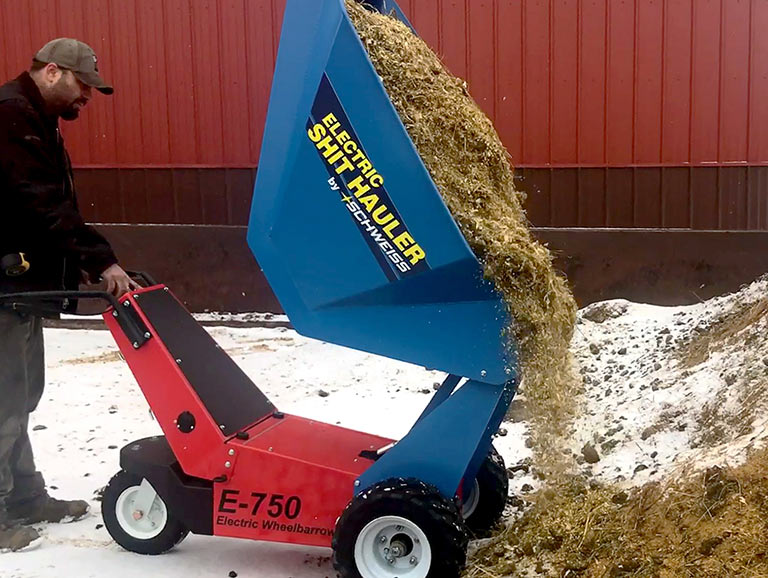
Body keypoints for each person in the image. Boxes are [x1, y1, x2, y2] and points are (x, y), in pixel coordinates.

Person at [0, 38, 135, 551]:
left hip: (21, 282)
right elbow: (40, 201)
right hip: (5, 282)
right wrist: (99, 259)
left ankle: (25, 497)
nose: (87, 98)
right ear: (52, 71)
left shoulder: (31, 117)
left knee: (20, 394)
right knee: (5, 398)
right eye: (83, 86)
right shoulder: (10, 115)